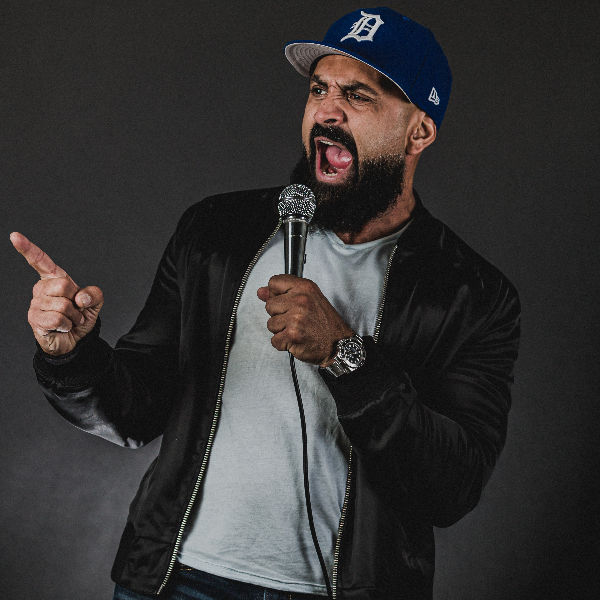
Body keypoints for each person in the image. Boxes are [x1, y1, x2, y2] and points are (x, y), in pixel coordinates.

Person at [11, 7, 520, 600]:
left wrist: (344, 354)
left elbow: (451, 487)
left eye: (358, 95)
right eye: (319, 89)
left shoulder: (470, 294)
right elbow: (135, 409)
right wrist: (71, 355)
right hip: (178, 579)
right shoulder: (215, 233)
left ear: (419, 132)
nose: (326, 112)